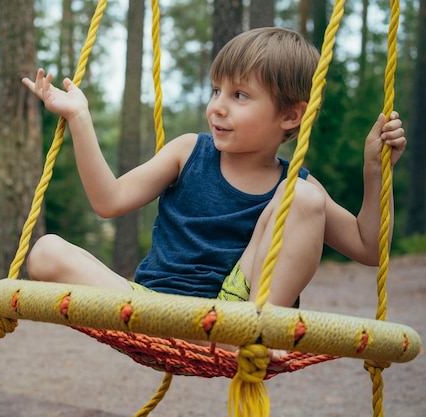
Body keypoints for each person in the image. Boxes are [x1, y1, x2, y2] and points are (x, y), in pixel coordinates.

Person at [21, 28, 406, 335]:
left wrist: (375, 172)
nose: (218, 106)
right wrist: (79, 118)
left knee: (302, 197)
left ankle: (263, 326)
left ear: (290, 115)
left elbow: (368, 248)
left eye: (239, 95)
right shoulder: (188, 151)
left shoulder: (296, 186)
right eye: (216, 90)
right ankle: (186, 327)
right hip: (147, 306)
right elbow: (110, 200)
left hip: (233, 313)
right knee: (46, 251)